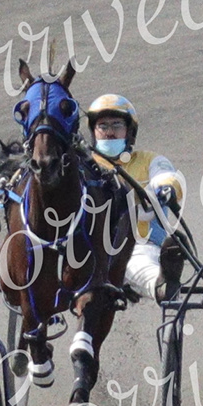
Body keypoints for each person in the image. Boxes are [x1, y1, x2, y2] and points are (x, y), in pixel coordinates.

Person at [83, 91, 186, 285]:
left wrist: (166, 188)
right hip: (88, 249)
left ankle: (161, 285)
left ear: (130, 132)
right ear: (93, 131)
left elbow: (166, 176)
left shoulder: (149, 160)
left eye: (117, 125)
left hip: (140, 245)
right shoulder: (83, 166)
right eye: (102, 126)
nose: (109, 132)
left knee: (136, 263)